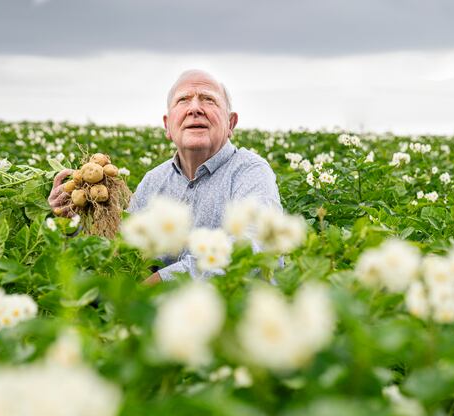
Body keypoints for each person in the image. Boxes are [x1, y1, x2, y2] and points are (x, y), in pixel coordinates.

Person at [48, 69, 282, 285]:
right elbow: (121, 251)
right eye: (183, 100)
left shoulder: (251, 172)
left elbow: (251, 247)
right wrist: (75, 222)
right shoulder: (153, 181)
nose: (195, 109)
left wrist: (158, 282)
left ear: (231, 123)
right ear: (168, 126)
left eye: (209, 99)